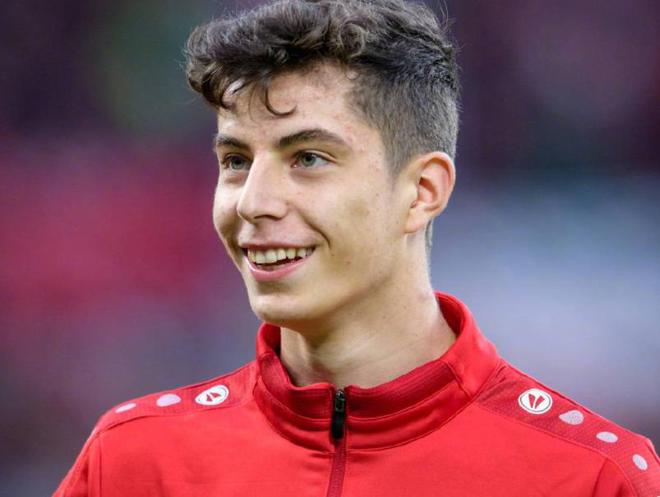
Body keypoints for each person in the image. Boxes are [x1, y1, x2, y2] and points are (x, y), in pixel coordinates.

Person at [53, 0, 659, 495]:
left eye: (308, 158)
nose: (252, 203)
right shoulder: (133, 463)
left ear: (422, 191)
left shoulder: (593, 477)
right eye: (235, 161)